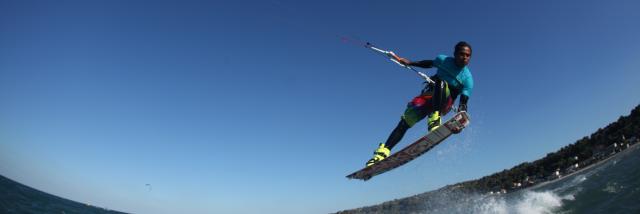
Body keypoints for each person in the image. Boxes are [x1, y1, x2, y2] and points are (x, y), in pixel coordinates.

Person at [366, 41, 475, 166]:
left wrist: (459, 123)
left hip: (445, 104)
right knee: (405, 122)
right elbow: (428, 63)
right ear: (455, 54)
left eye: (468, 55)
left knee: (441, 83)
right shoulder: (443, 60)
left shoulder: (468, 79)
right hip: (429, 97)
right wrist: (410, 62)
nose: (465, 58)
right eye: (462, 54)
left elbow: (463, 105)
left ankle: (434, 119)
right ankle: (382, 152)